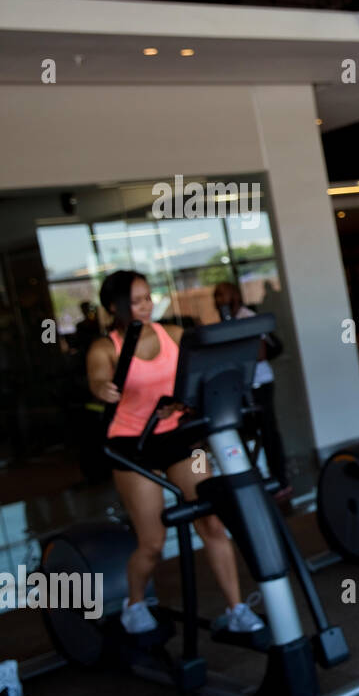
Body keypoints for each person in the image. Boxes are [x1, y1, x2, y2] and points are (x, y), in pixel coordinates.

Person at [86, 270, 263, 635]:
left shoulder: (175, 335)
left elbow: (197, 379)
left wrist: (181, 403)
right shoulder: (106, 348)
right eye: (136, 301)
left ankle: (237, 609)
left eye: (148, 297)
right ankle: (134, 604)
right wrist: (103, 388)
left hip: (181, 439)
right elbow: (98, 382)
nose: (146, 306)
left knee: (212, 521)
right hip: (133, 448)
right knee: (152, 542)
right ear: (113, 307)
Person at [212, 281, 291, 501]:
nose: (219, 301)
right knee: (247, 432)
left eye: (223, 295)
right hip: (240, 386)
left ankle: (281, 481)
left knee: (268, 431)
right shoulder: (227, 321)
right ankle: (256, 478)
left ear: (234, 296)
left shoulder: (247, 318)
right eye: (217, 296)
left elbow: (260, 354)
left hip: (259, 384)